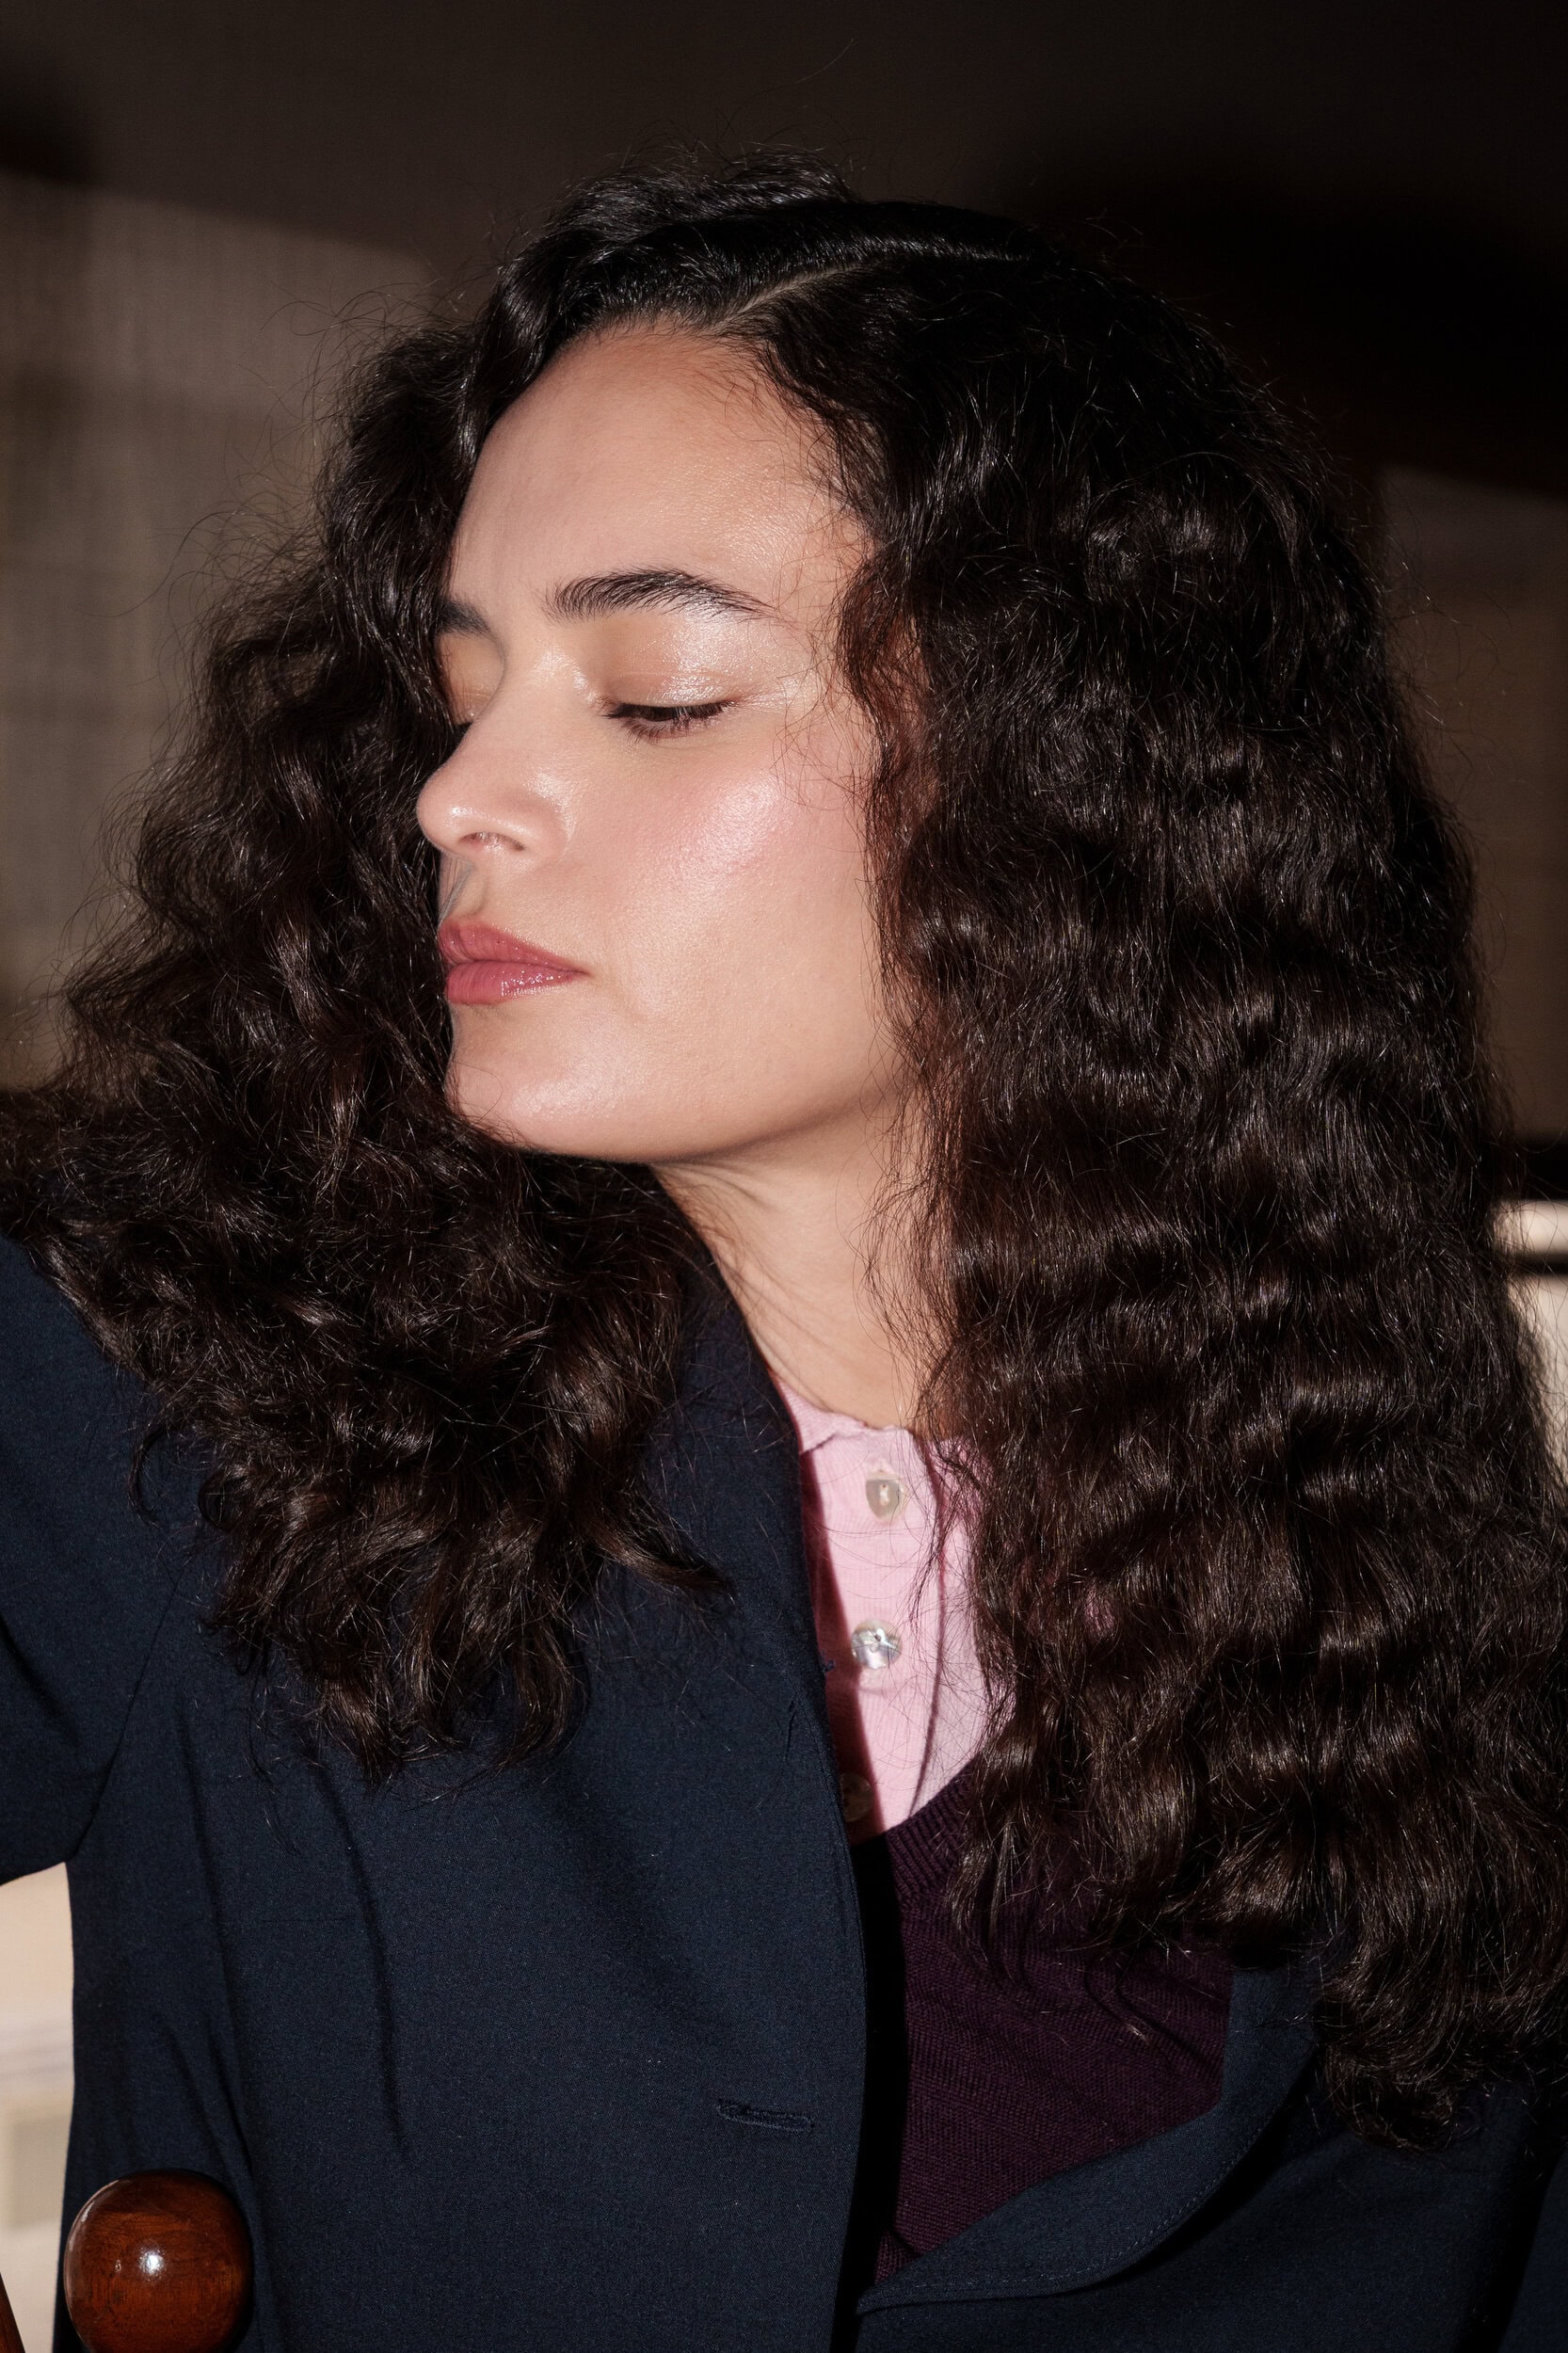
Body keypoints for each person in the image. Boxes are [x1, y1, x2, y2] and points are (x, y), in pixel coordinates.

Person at [1, 153, 1564, 2353]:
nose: (456, 794)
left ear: (1070, 781)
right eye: (462, 690)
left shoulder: (1414, 1600)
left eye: (651, 692)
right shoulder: (181, 1381)